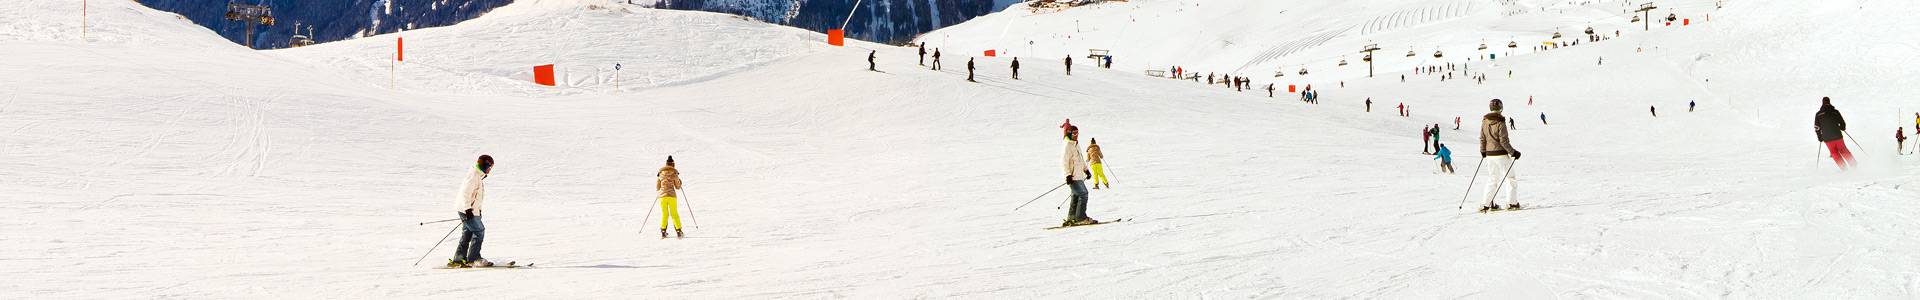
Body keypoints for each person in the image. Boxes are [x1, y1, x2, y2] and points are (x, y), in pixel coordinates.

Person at [448, 155, 494, 268]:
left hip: (471, 210)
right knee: (479, 231)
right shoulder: (474, 176)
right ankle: (474, 259)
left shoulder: (477, 175)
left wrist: (476, 210)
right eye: (490, 167)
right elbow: (465, 193)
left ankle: (459, 259)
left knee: (467, 233)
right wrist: (468, 209)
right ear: (485, 165)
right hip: (467, 209)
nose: (490, 170)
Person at [1478, 99, 1522, 212]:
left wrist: (1483, 151)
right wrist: (1513, 152)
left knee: (1493, 179)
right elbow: (1503, 141)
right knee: (1510, 178)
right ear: (1501, 108)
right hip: (1501, 154)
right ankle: (1512, 203)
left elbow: (1482, 138)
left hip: (1489, 155)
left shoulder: (1485, 121)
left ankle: (1486, 204)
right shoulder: (1500, 122)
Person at [1060, 123, 1097, 226]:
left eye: (1077, 132)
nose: (1076, 134)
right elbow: (1064, 162)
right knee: (1083, 194)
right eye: (1074, 133)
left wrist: (1086, 170)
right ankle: (1081, 217)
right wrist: (1067, 175)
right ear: (1069, 133)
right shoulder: (1067, 145)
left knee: (1076, 195)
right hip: (1072, 176)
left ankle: (1072, 218)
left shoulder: (1076, 144)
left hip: (1079, 175)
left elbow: (1080, 159)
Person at [1814, 97, 1854, 169]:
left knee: (1834, 153)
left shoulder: (1818, 114)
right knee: (1843, 150)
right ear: (1829, 102)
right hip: (1837, 135)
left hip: (1827, 138)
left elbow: (1817, 127)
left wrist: (1820, 137)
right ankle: (1854, 165)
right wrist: (1842, 127)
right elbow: (1842, 122)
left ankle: (1843, 168)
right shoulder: (1835, 112)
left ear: (1822, 103)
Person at [657, 156, 686, 238]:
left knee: (664, 214)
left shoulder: (660, 174)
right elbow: (678, 187)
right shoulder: (674, 174)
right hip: (671, 196)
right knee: (674, 213)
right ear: (673, 165)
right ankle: (679, 231)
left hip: (662, 197)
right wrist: (679, 181)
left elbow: (657, 187)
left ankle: (663, 231)